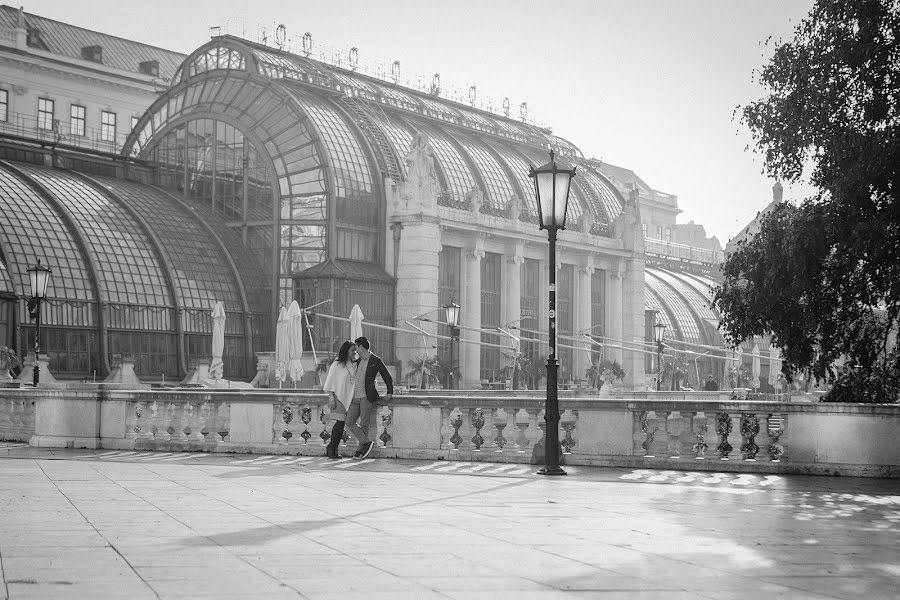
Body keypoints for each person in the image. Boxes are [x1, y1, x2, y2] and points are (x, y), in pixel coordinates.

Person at [347, 336, 393, 459]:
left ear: (361, 347)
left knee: (364, 424)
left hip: (366, 397)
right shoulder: (357, 361)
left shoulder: (375, 360)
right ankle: (366, 442)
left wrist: (389, 392)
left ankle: (360, 451)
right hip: (355, 397)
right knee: (349, 421)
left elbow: (387, 376)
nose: (355, 349)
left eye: (356, 346)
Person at [322, 341, 358, 459]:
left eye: (355, 350)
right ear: (346, 351)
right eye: (352, 350)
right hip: (339, 397)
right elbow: (330, 382)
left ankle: (332, 448)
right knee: (340, 424)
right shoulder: (337, 364)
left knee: (341, 424)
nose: (354, 352)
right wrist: (331, 398)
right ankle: (332, 449)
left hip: (350, 397)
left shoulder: (354, 364)